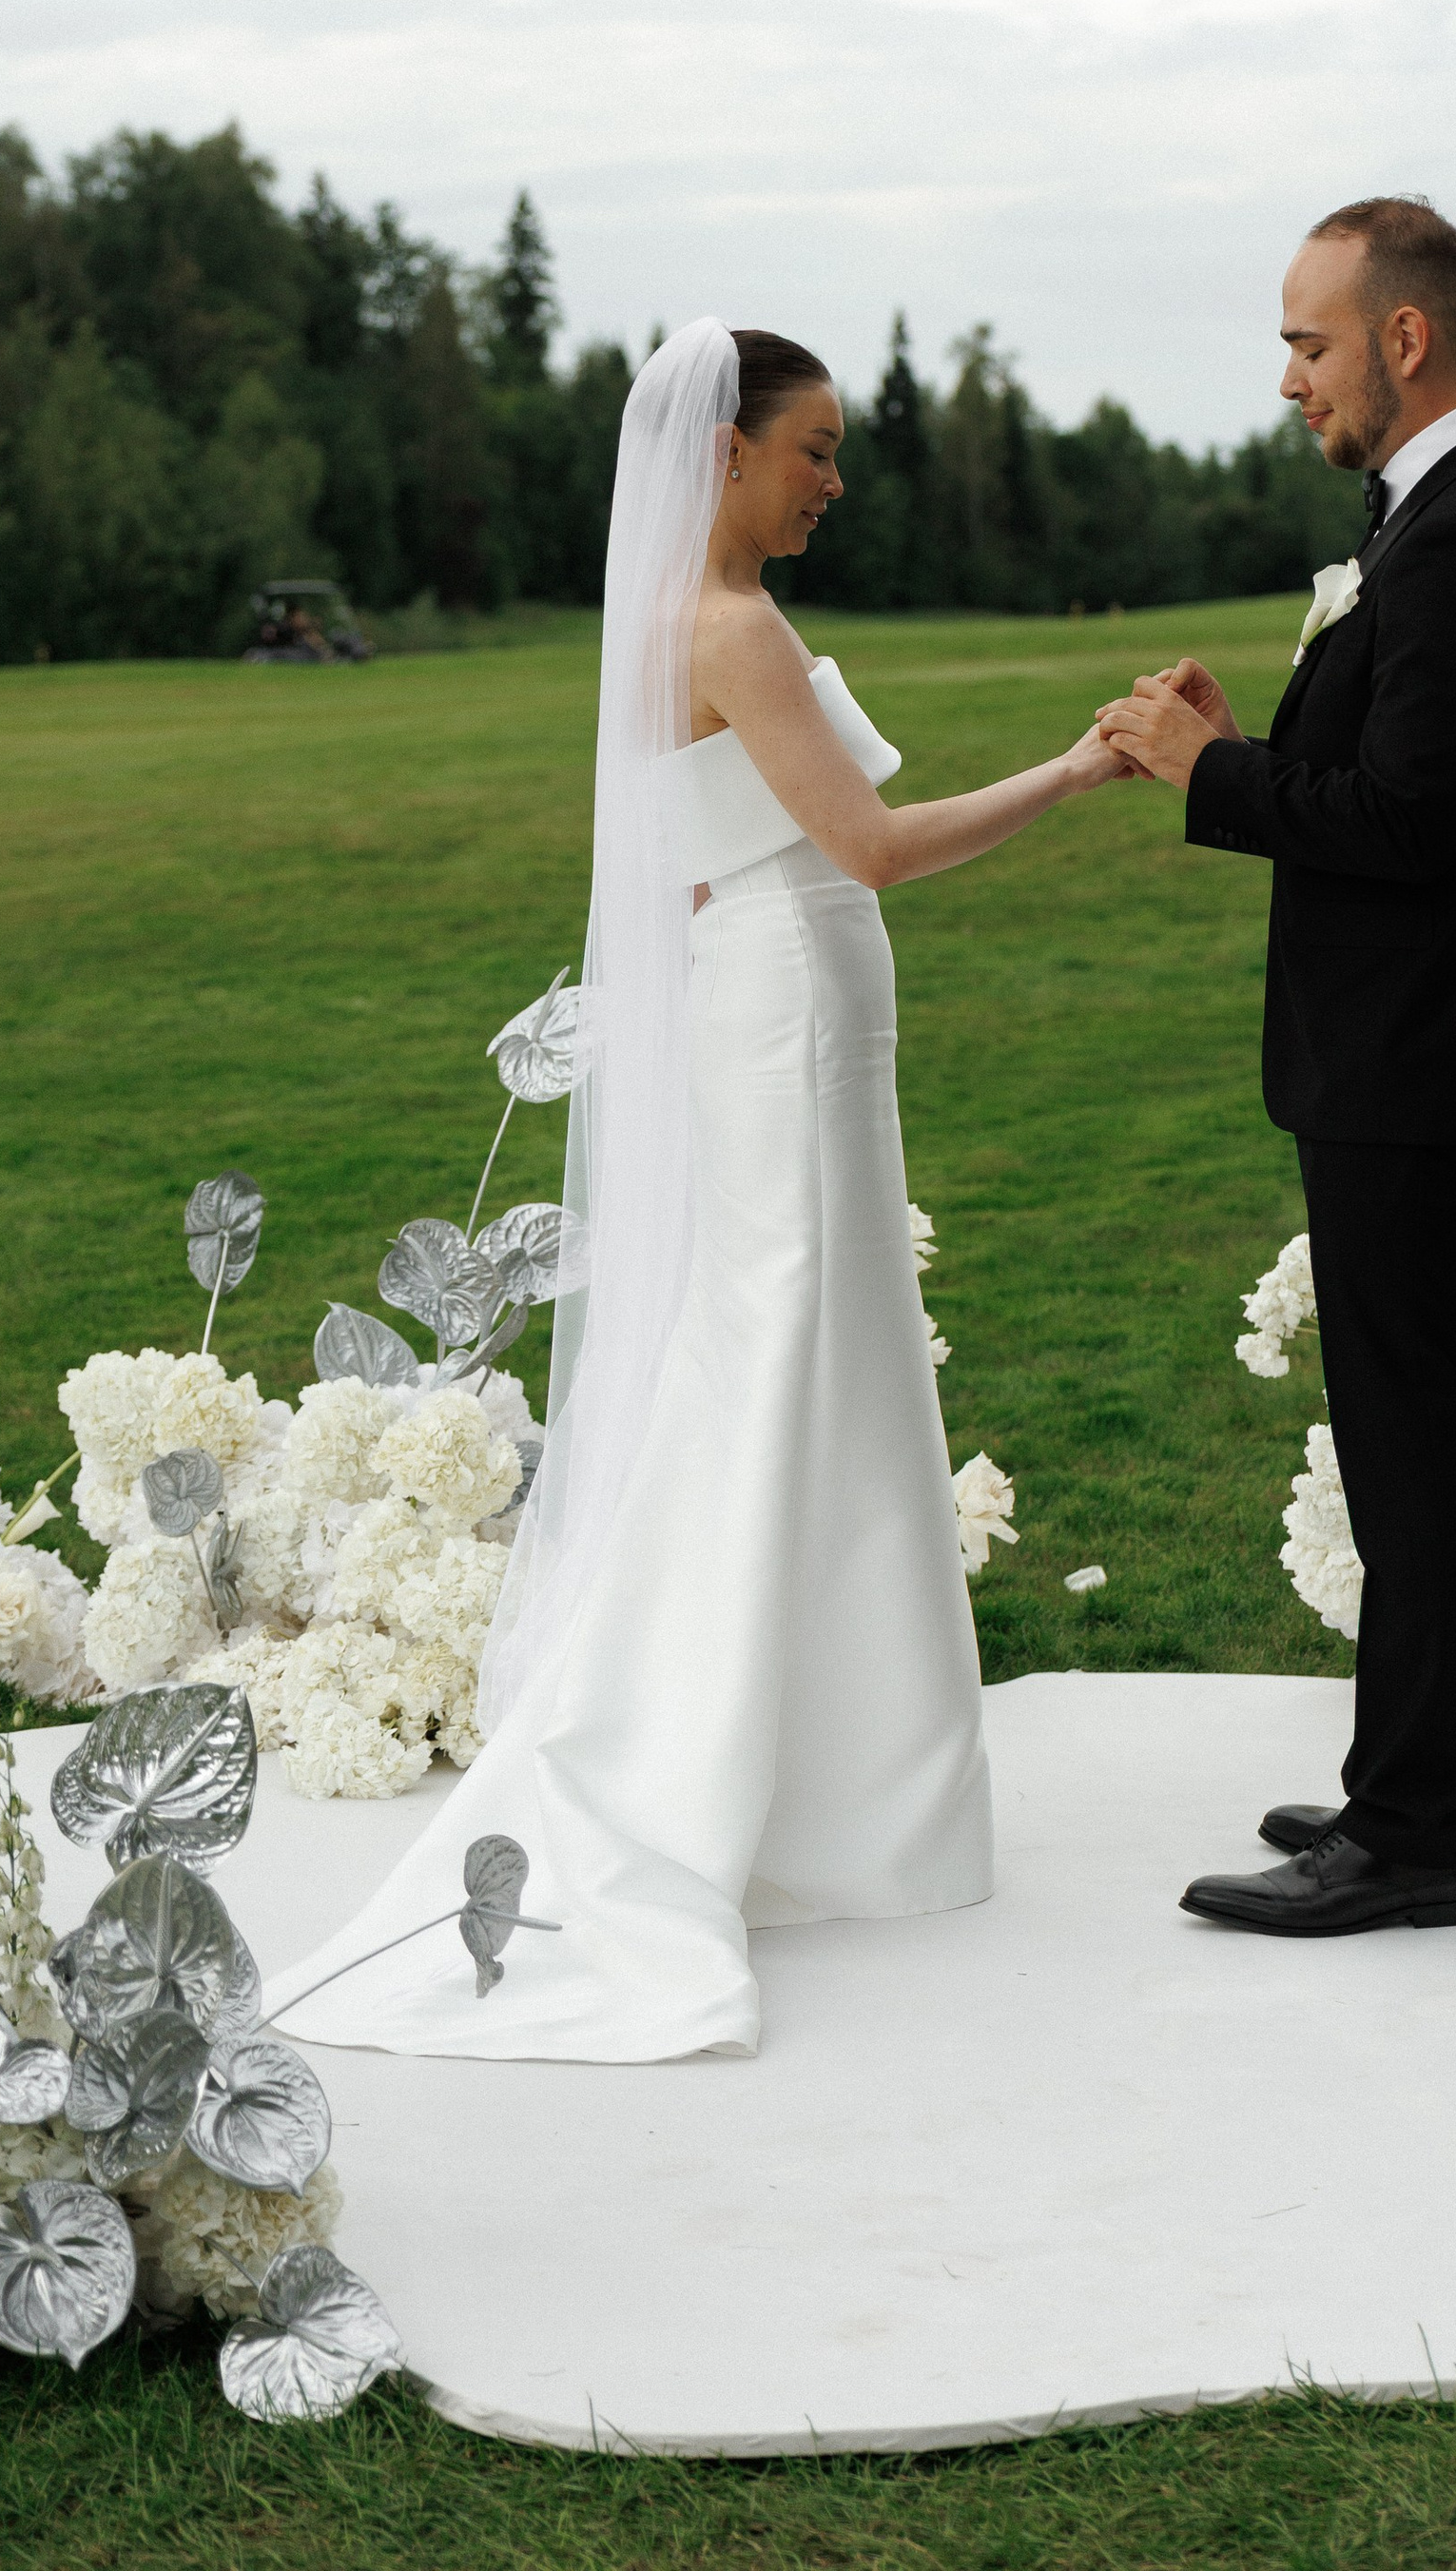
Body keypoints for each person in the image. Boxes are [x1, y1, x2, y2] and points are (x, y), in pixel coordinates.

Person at [275, 317, 1130, 2062]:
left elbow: (682, 879)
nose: (834, 480)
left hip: (780, 1004)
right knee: (781, 1357)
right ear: (724, 452)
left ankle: (819, 1775)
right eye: (812, 448)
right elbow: (875, 848)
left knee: (801, 1356)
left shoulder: (699, 622)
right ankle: (714, 1764)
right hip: (791, 1019)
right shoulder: (730, 627)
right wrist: (1087, 769)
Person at [1098, 199, 1456, 1938]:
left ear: (1402, 339)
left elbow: (1410, 820)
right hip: (1425, 1041)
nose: (1288, 376)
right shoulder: (1453, 512)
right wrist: (1251, 743)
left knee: (1418, 1441)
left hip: (1415, 1053)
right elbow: (1400, 767)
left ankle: (1415, 1835)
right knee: (1440, 1428)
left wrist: (1199, 777)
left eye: (1310, 342)